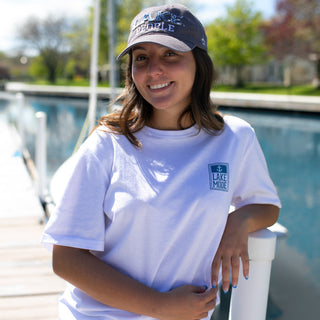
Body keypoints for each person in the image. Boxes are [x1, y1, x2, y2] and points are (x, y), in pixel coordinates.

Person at [41, 3, 281, 320]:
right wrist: (160, 306)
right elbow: (67, 257)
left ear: (199, 63)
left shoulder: (235, 138)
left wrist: (239, 222)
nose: (154, 69)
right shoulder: (108, 143)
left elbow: (265, 204)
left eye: (170, 54)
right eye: (142, 58)